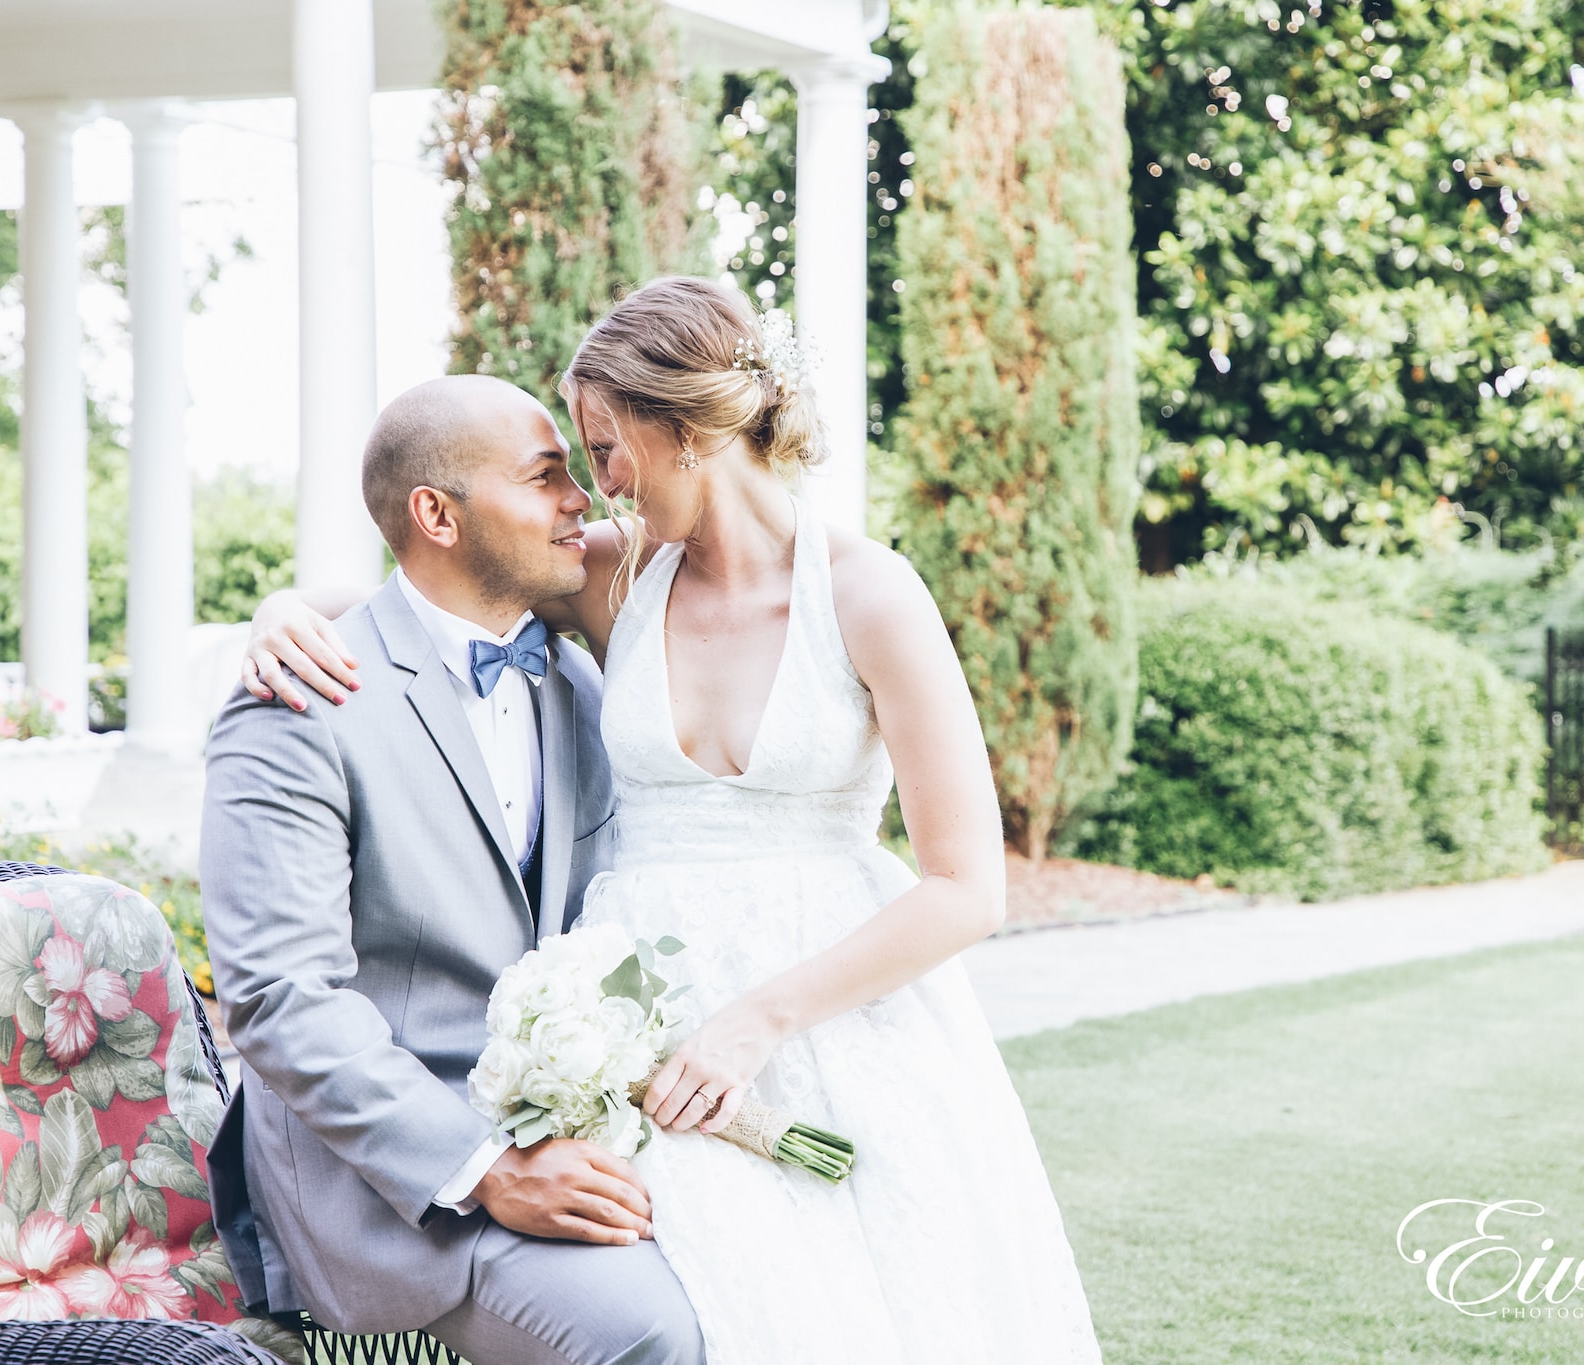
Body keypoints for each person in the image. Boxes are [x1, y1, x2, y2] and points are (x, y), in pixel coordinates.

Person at [241, 276, 1100, 1363]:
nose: (595, 491)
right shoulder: (619, 579)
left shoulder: (872, 599)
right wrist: (281, 612)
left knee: (877, 1309)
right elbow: (427, 587)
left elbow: (966, 887)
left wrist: (760, 1022)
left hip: (828, 1000)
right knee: (701, 1311)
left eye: (603, 451)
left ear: (683, 431)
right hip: (637, 1010)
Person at [199, 373, 705, 1365]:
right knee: (648, 1333)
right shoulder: (295, 706)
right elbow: (279, 1000)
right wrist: (486, 1168)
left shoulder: (580, 677)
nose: (581, 501)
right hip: (387, 1186)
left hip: (576, 1120)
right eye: (546, 475)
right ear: (436, 513)